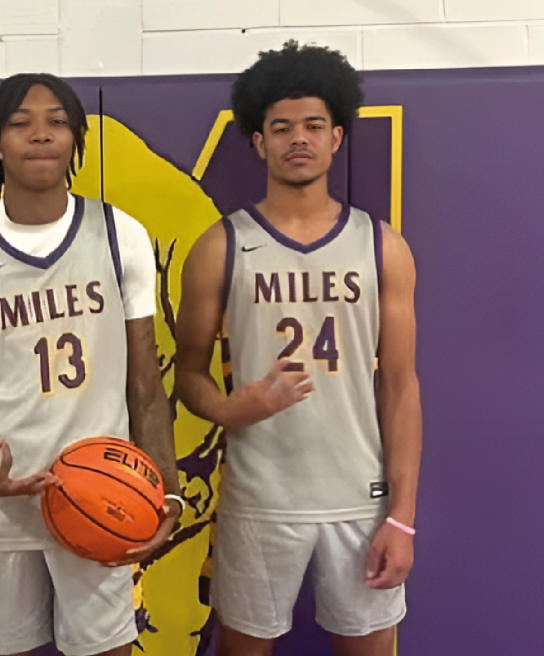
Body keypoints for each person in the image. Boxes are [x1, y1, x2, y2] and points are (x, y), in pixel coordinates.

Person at [175, 41, 422, 656]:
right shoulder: (220, 246)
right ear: (259, 142)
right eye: (281, 128)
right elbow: (188, 374)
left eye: (313, 125)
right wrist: (232, 408)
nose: (298, 139)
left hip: (359, 497)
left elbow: (400, 387)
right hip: (259, 499)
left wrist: (402, 516)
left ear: (336, 137)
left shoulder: (381, 246)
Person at [0, 73, 183, 656]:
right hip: (5, 506)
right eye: (21, 123)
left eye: (57, 122)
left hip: (103, 496)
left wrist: (166, 490)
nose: (41, 134)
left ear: (75, 139)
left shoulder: (120, 236)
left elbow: (145, 383)